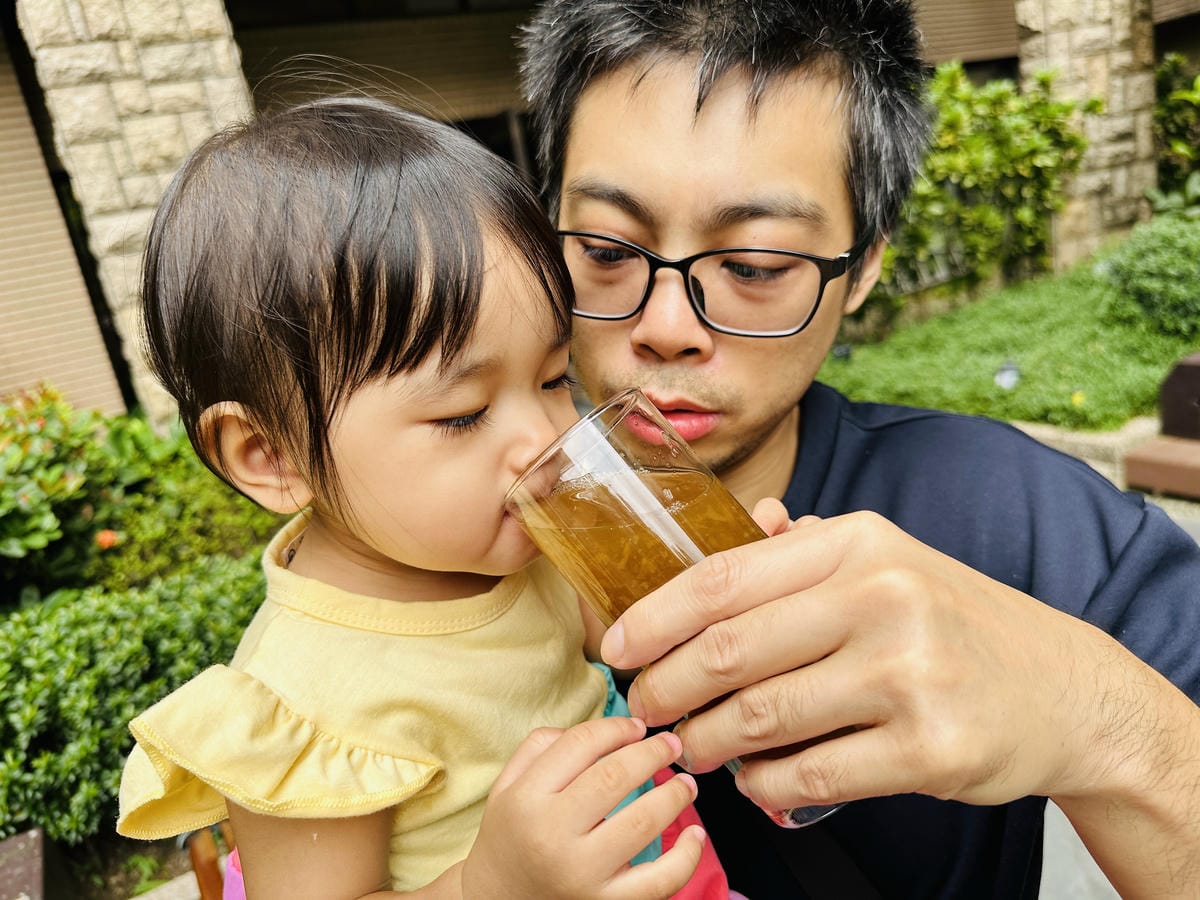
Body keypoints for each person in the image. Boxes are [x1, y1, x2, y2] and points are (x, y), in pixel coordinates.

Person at [518, 1, 1200, 897]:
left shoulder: (1025, 522)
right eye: (606, 249)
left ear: (865, 266)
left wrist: (1091, 712)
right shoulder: (413, 563)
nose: (667, 326)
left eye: (756, 266)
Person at [115, 96, 757, 899]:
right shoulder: (310, 700)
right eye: (463, 414)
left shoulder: (521, 540)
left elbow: (631, 637)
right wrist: (489, 887)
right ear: (272, 456)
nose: (543, 443)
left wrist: (721, 594)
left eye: (556, 378)